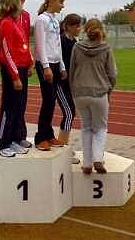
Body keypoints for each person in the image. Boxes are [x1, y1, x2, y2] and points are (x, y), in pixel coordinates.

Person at [69, 19, 116, 175]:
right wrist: (110, 89)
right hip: (99, 92)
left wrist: (73, 89)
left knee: (86, 127)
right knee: (100, 128)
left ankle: (87, 163)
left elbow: (72, 70)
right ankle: (97, 158)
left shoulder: (77, 46)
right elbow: (112, 73)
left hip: (80, 93)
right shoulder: (106, 48)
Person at [0, 0, 33, 157]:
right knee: (9, 108)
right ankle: (1, 143)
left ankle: (14, 139)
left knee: (18, 107)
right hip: (13, 71)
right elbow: (6, 52)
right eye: (18, 0)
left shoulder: (16, 22)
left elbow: (23, 45)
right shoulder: (6, 23)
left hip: (21, 68)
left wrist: (29, 61)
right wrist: (15, 75)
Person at [34, 0, 67, 151]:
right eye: (61, 2)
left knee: (52, 101)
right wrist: (46, 67)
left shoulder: (54, 19)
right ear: (51, 1)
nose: (63, 5)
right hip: (44, 64)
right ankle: (40, 137)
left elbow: (57, 45)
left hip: (55, 63)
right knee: (48, 100)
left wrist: (61, 66)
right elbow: (40, 45)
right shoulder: (42, 20)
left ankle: (49, 135)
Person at [8, 0, 34, 149]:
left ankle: (20, 136)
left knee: (22, 102)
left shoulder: (25, 15)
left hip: (23, 64)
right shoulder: (6, 17)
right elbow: (0, 43)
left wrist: (30, 60)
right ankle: (8, 137)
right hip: (11, 65)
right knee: (11, 103)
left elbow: (25, 40)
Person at [58, 14, 82, 164]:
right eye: (77, 26)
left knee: (70, 113)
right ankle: (63, 148)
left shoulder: (74, 41)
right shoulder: (61, 40)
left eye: (80, 26)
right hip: (60, 83)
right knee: (68, 113)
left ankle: (62, 145)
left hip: (70, 84)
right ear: (69, 26)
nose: (79, 29)